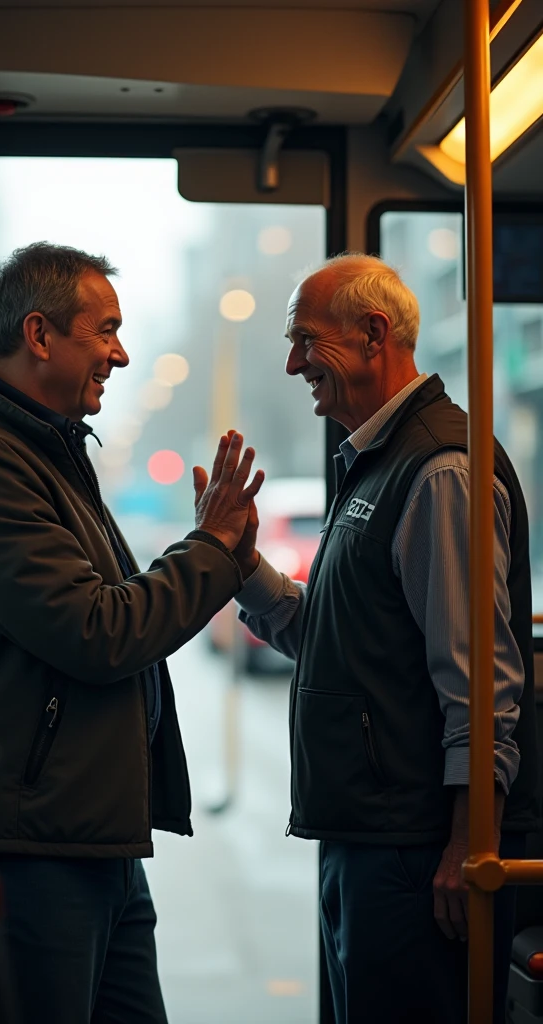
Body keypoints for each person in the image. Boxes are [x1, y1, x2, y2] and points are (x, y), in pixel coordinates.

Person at [0, 242, 264, 1024]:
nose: (122, 352)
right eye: (105, 330)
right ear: (39, 335)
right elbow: (100, 631)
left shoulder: (44, 448)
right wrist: (210, 549)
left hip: (82, 841)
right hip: (31, 847)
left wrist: (208, 555)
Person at [234, 253, 539, 1023]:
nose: (292, 362)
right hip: (372, 837)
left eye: (306, 340)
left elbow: (480, 685)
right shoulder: (374, 463)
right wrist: (242, 568)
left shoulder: (439, 469)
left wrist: (469, 846)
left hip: (417, 850)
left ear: (374, 335)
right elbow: (345, 644)